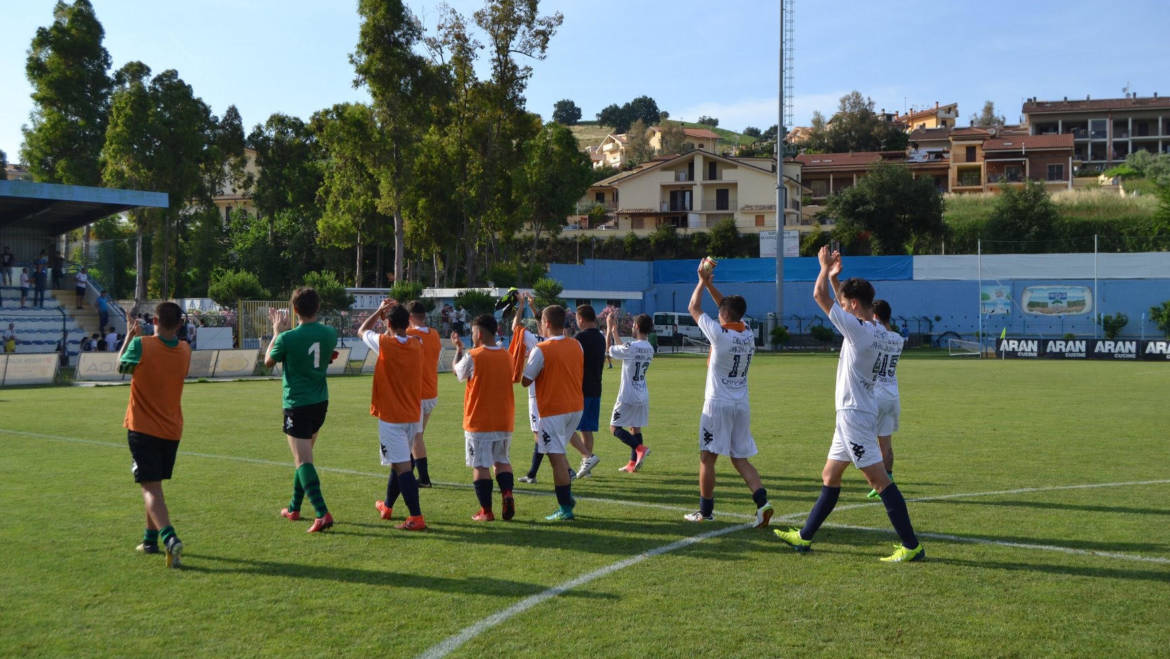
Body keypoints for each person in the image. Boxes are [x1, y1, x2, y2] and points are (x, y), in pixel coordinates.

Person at [773, 247, 924, 562]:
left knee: (880, 481)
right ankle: (804, 537)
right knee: (830, 475)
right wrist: (836, 277)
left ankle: (912, 546)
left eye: (845, 303)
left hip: (854, 414)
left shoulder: (858, 331)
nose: (841, 308)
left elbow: (819, 296)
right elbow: (839, 303)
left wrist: (822, 270)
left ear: (855, 305)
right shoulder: (881, 332)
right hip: (856, 410)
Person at [683, 262, 773, 527]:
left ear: (723, 314)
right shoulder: (748, 333)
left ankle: (706, 511)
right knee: (739, 458)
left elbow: (694, 308)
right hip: (741, 404)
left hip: (717, 404)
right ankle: (762, 502)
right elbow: (727, 307)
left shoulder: (719, 334)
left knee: (707, 457)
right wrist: (711, 284)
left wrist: (701, 281)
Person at [117, 301, 192, 568]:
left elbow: (121, 367)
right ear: (180, 324)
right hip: (171, 429)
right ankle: (150, 539)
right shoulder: (185, 350)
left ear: (155, 321)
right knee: (155, 484)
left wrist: (129, 337)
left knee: (149, 488)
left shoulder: (141, 345)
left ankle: (170, 539)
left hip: (143, 428)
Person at [265, 289, 339, 533]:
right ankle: (294, 508)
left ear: (294, 310)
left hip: (297, 404)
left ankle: (322, 513)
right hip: (320, 402)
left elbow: (267, 362)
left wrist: (277, 332)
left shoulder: (287, 338)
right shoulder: (330, 333)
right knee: (303, 460)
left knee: (303, 460)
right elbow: (325, 357)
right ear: (317, 307)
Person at [359, 298, 427, 531]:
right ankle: (387, 506)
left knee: (403, 467)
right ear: (407, 322)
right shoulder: (417, 344)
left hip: (392, 417)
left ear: (387, 322)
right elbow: (409, 336)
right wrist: (388, 317)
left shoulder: (385, 343)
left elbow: (362, 331)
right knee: (398, 463)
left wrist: (378, 311)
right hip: (411, 414)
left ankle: (416, 517)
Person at [521, 304, 584, 521]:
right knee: (559, 454)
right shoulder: (576, 345)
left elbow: (525, 380)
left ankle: (565, 507)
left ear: (546, 323)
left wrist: (525, 359)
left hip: (553, 410)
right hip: (575, 407)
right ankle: (567, 500)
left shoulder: (542, 349)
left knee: (556, 459)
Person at [451, 314, 516, 521]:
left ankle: (486, 511)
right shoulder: (507, 355)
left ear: (478, 333)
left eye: (472, 332)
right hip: (504, 418)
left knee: (480, 465)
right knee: (502, 461)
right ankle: (507, 493)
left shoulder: (474, 355)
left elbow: (457, 373)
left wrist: (458, 351)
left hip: (479, 420)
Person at [865, 299, 905, 500]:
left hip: (875, 394)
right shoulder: (898, 338)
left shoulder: (876, 335)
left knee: (866, 442)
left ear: (875, 315)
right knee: (886, 443)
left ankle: (878, 482)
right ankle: (888, 479)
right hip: (892, 395)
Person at [607, 312, 654, 473]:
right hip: (642, 394)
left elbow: (611, 351)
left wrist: (608, 328)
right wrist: (615, 332)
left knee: (614, 428)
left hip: (627, 395)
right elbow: (625, 352)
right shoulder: (649, 348)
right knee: (635, 428)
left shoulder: (632, 347)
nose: (632, 327)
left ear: (638, 327)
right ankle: (632, 463)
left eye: (634, 325)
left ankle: (640, 448)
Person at [512, 293, 548, 484]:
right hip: (551, 392)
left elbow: (515, 327)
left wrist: (521, 305)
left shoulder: (535, 340)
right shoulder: (555, 341)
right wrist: (533, 308)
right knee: (547, 433)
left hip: (535, 393)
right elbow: (541, 322)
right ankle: (533, 473)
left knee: (539, 434)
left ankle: (566, 468)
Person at [406, 301, 441, 487]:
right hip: (431, 390)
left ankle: (424, 478)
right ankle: (408, 471)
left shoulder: (410, 334)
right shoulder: (434, 334)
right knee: (417, 435)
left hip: (417, 393)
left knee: (416, 436)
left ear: (410, 317)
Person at [568, 305, 606, 479]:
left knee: (567, 427)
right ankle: (587, 466)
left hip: (580, 388)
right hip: (596, 387)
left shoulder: (580, 338)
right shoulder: (601, 337)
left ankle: (587, 457)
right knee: (587, 429)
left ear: (581, 319)